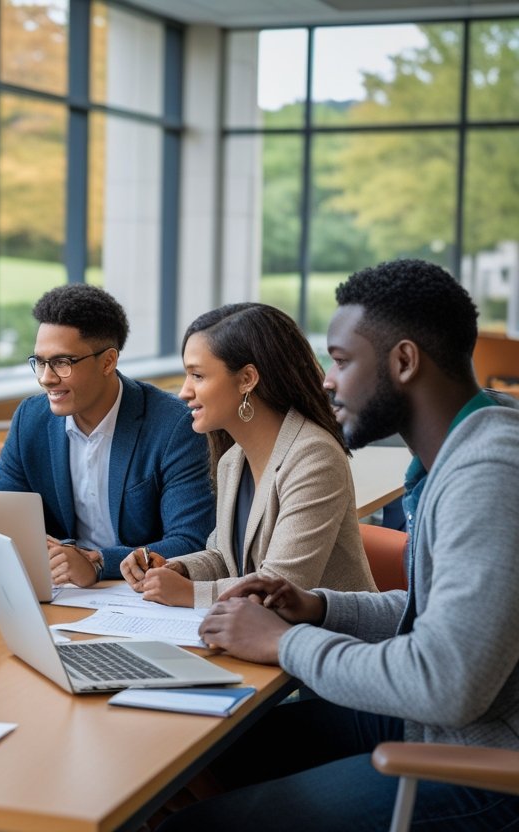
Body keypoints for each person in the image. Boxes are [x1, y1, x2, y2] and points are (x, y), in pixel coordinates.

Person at [161, 260, 519, 831]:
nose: (327, 378)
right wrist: (320, 606)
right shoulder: (457, 453)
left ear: (403, 361)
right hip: (445, 724)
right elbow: (434, 619)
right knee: (203, 749)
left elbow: (445, 681)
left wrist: (287, 642)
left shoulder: (488, 473)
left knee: (193, 825)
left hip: (486, 763)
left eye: (343, 359)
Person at [119, 303, 376, 607]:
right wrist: (179, 569)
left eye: (197, 375)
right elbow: (224, 557)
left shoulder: (314, 458)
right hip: (259, 635)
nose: (184, 392)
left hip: (329, 644)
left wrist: (189, 593)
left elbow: (283, 586)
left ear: (246, 379)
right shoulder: (233, 460)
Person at [0, 284, 214, 587]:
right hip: (60, 591)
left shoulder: (174, 426)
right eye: (40, 362)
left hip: (139, 593)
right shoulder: (31, 419)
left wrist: (97, 562)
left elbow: (191, 540)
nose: (46, 378)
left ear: (108, 361)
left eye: (62, 363)